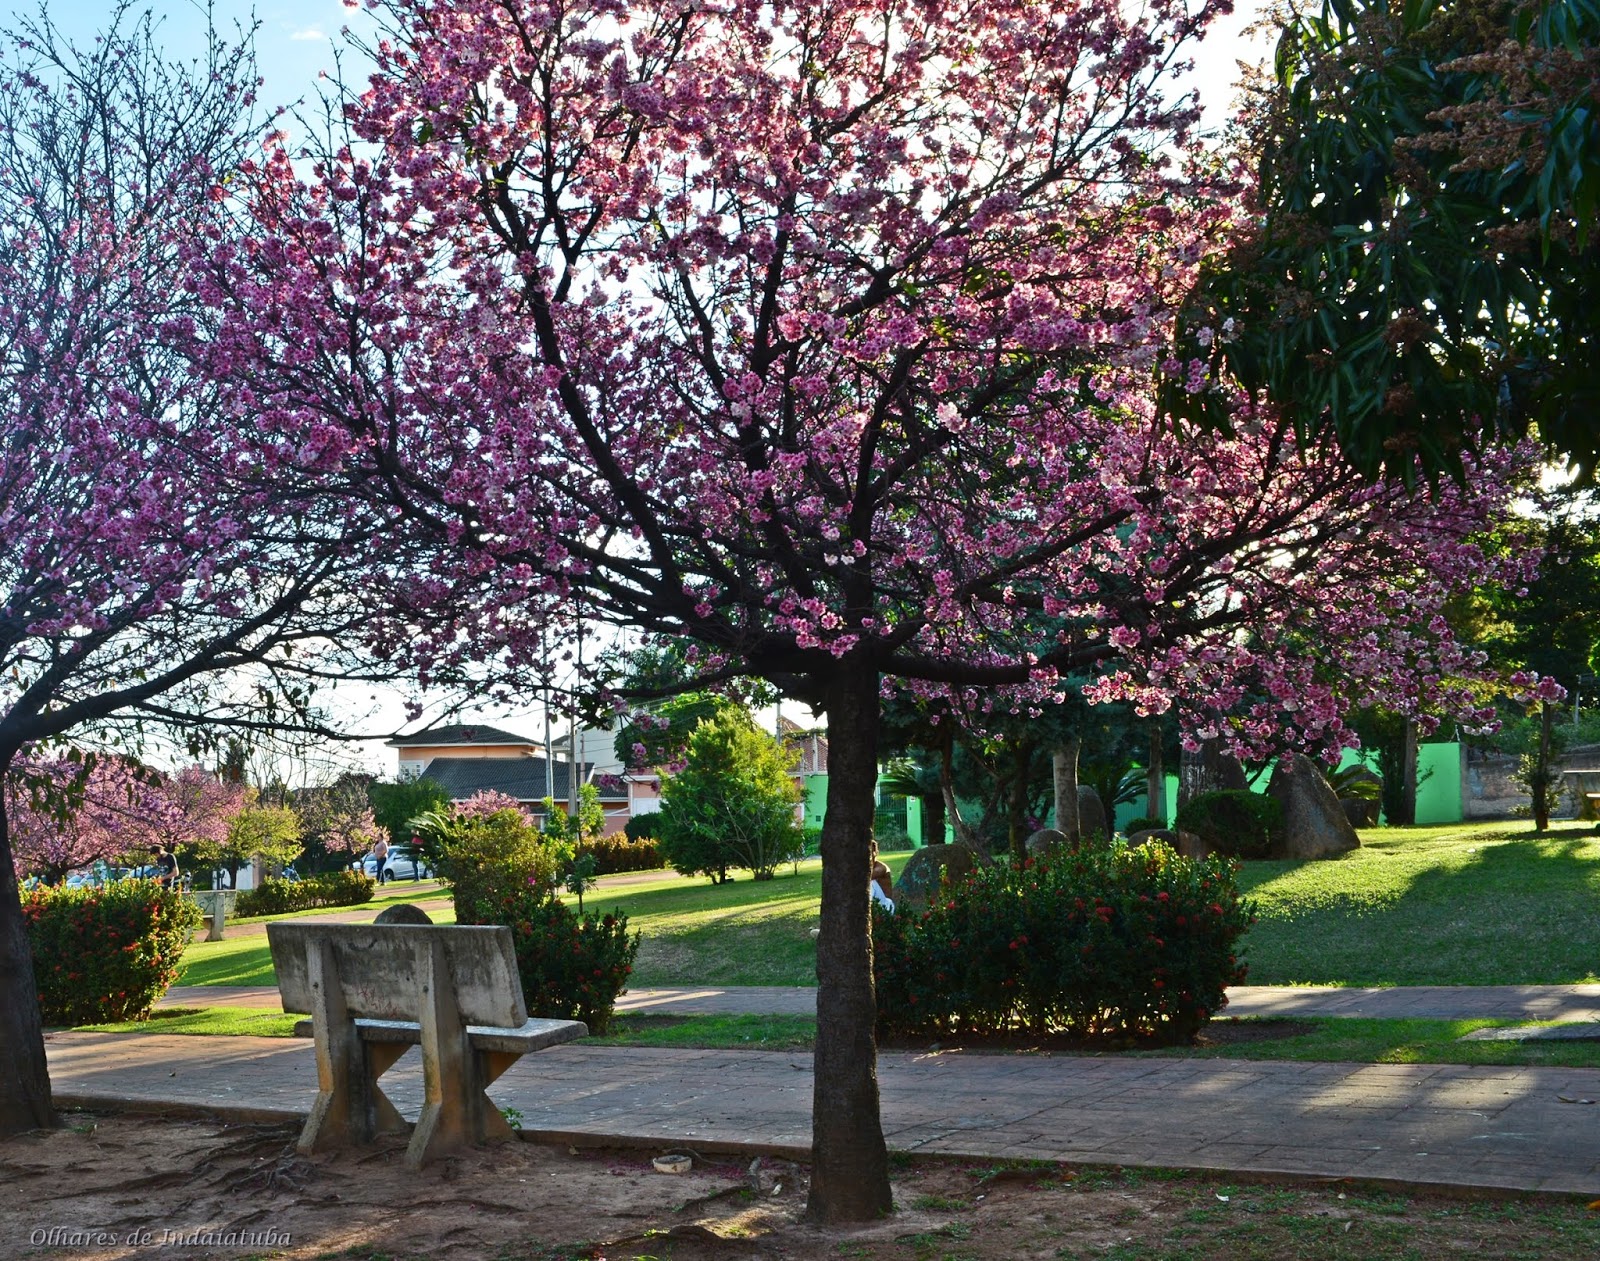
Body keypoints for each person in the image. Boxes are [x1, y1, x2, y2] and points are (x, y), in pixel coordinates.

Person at [868, 838, 894, 914]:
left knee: (871, 882)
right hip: (876, 905)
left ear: (876, 853)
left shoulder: (881, 868)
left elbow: (868, 877)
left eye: (871, 852)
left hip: (886, 905)